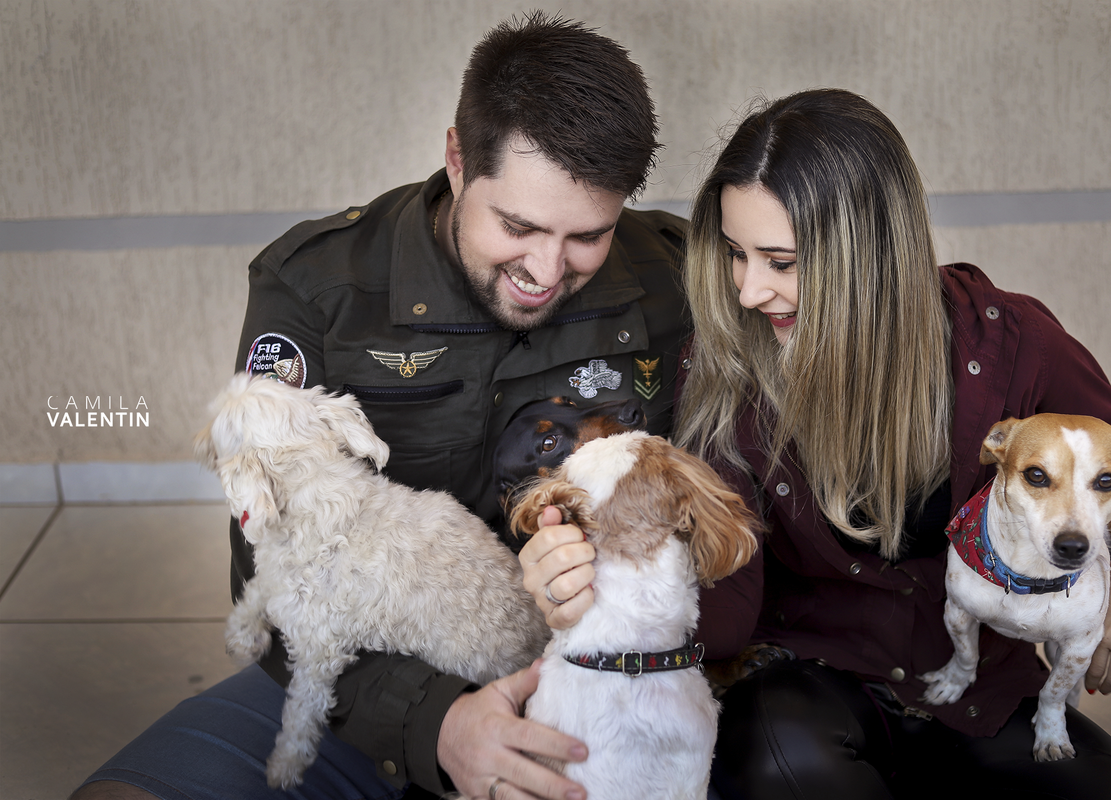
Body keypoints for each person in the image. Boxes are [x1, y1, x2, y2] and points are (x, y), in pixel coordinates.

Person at [72, 13, 690, 800]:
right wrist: (441, 727)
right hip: (366, 680)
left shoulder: (675, 278)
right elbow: (276, 564)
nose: (545, 267)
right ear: (458, 161)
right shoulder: (317, 292)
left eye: (587, 237)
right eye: (518, 225)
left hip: (595, 681)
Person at [669, 88, 1111, 798]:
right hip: (804, 690)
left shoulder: (1009, 340)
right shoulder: (725, 365)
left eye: (782, 262)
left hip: (984, 696)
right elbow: (726, 593)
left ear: (874, 256)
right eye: (735, 254)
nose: (749, 290)